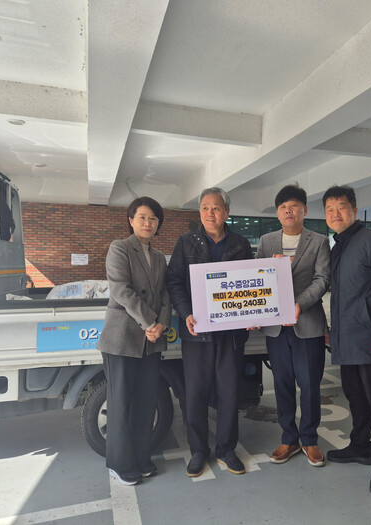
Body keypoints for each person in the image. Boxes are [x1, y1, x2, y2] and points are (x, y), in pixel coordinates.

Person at [166, 187, 253, 477]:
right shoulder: (185, 242)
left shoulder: (240, 244)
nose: (209, 213)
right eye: (204, 208)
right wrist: (186, 312)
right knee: (195, 393)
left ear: (226, 212)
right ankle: (198, 450)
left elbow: (249, 284)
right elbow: (174, 281)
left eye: (215, 208)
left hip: (231, 334)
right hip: (197, 332)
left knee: (229, 392)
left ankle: (226, 449)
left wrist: (252, 312)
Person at [322, 185, 371, 496]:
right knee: (354, 395)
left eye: (341, 207)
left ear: (354, 210)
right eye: (329, 210)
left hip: (369, 337)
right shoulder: (337, 246)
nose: (335, 214)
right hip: (345, 337)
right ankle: (360, 446)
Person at [97, 197, 172, 486]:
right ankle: (119, 463)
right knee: (121, 402)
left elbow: (165, 294)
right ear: (131, 220)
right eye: (142, 217)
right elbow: (121, 290)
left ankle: (141, 458)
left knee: (145, 402)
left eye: (153, 218)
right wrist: (150, 322)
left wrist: (162, 323)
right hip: (122, 338)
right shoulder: (120, 248)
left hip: (151, 341)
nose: (147, 223)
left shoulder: (160, 256)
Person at [255, 184, 330, 467]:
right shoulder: (267, 241)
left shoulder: (319, 241)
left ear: (304, 210)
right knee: (282, 383)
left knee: (309, 384)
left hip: (306, 324)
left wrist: (298, 304)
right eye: (283, 207)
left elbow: (322, 279)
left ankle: (310, 439)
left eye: (294, 206)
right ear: (278, 213)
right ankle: (289, 438)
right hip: (276, 328)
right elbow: (258, 280)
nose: (289, 211)